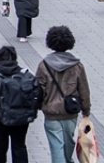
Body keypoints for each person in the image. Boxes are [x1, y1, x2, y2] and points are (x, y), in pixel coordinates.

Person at [37, 26, 92, 163]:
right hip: (70, 112)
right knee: (68, 144)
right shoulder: (77, 65)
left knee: (56, 147)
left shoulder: (44, 65)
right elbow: (84, 89)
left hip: (51, 113)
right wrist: (86, 110)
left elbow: (38, 90)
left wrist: (38, 106)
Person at [0, 45, 36, 163]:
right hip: (21, 117)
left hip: (0, 116)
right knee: (19, 146)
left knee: (0, 145)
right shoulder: (25, 75)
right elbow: (36, 94)